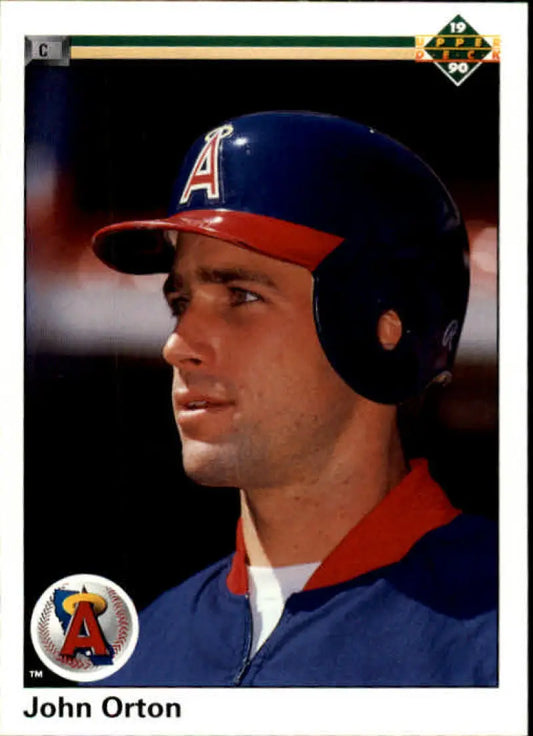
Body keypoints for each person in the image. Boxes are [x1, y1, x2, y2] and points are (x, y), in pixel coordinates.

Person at [92, 111, 497, 686]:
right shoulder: (143, 653)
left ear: (380, 327)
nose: (176, 346)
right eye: (180, 302)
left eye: (240, 295)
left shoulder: (498, 635)